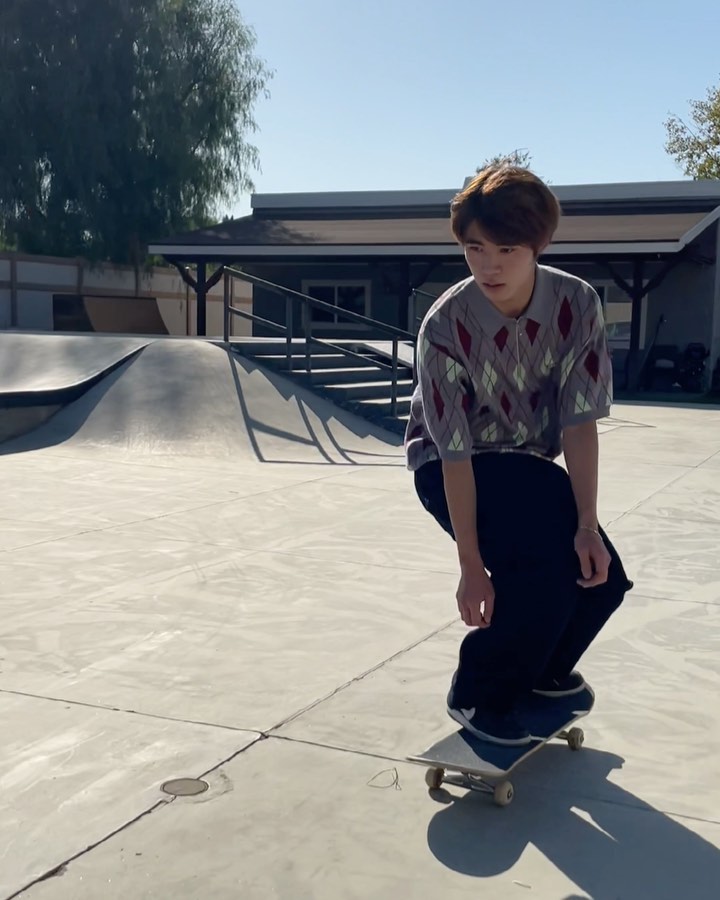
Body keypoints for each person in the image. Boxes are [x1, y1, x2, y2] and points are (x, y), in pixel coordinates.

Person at [405, 164, 633, 746]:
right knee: (541, 579)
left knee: (601, 577)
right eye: (475, 249)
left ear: (538, 246)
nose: (489, 266)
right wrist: (471, 566)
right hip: (450, 462)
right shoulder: (445, 325)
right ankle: (478, 690)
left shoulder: (576, 304)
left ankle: (543, 671)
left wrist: (588, 526)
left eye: (507, 250)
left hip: (528, 462)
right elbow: (454, 454)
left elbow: (579, 422)